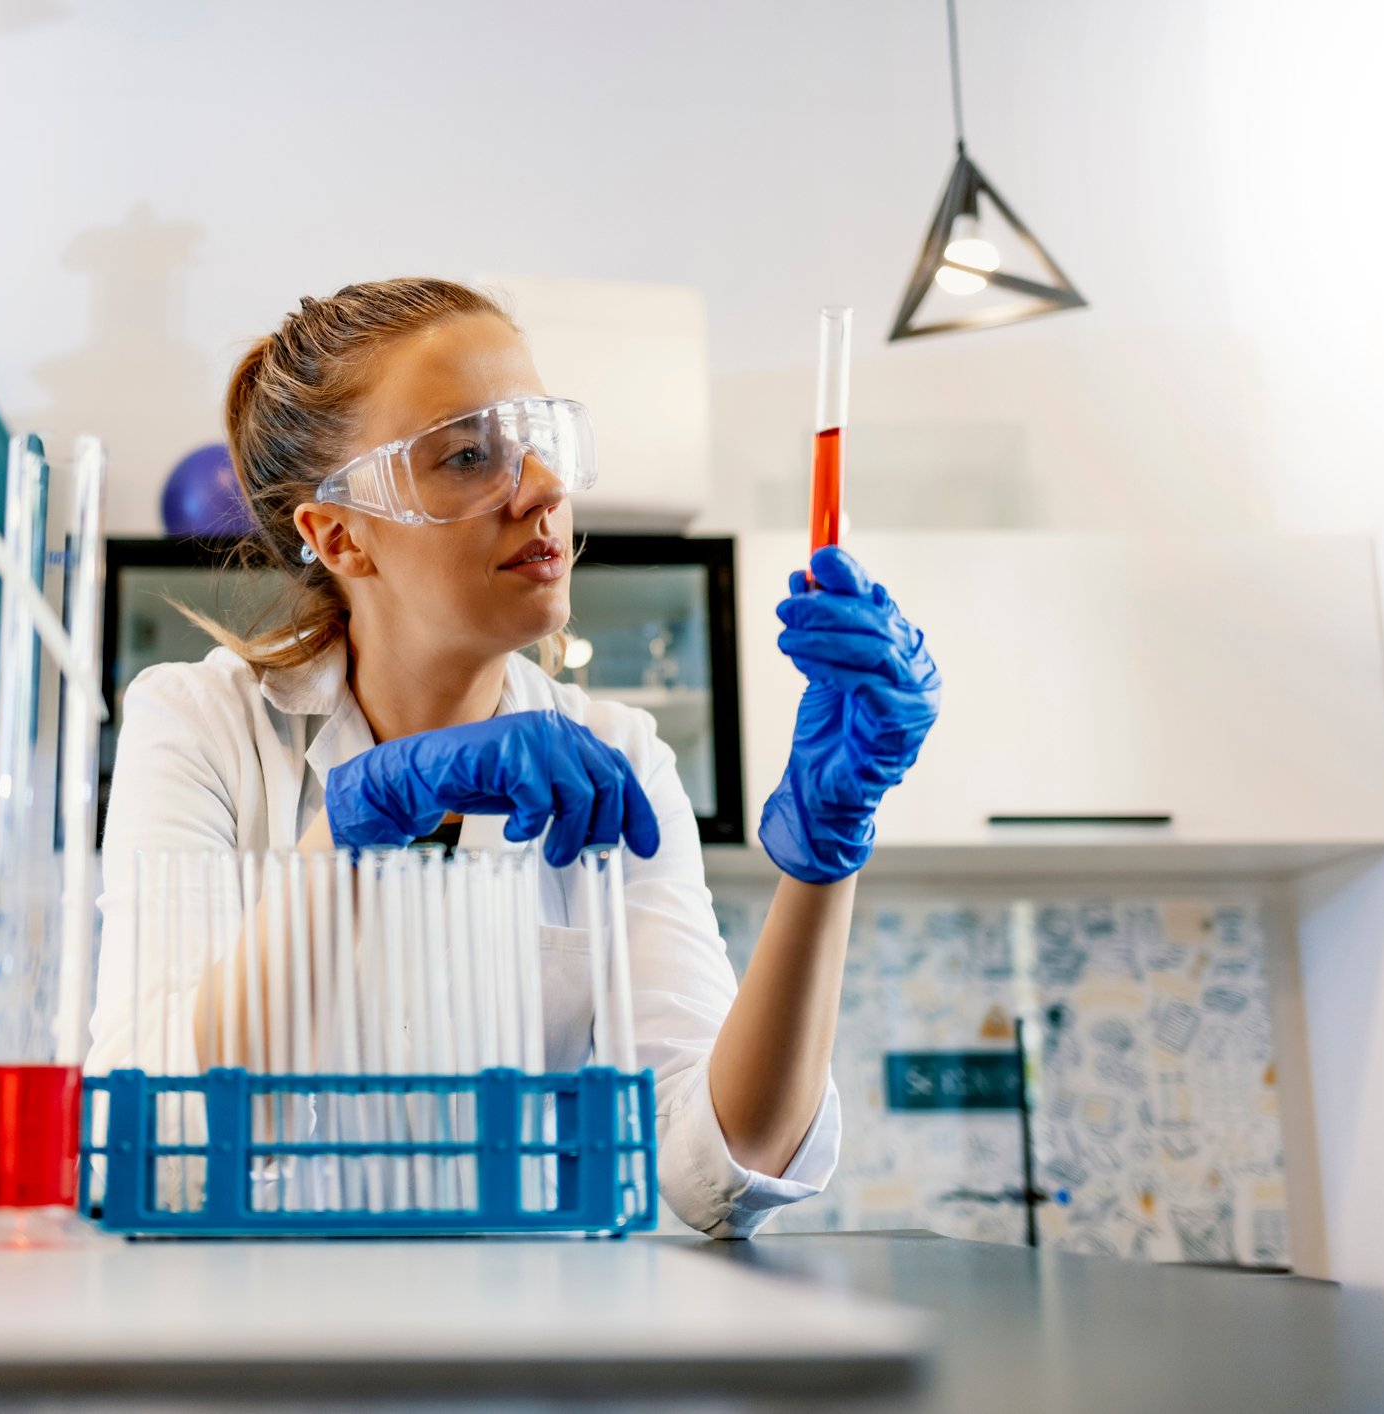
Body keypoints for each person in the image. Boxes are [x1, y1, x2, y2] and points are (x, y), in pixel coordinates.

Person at [87, 277, 939, 1237]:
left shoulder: (616, 758)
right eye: (464, 456)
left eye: (542, 442)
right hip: (262, 1352)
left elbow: (713, 1170)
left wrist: (825, 862)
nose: (541, 488)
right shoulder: (201, 728)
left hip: (528, 1353)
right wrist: (348, 837)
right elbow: (163, 1142)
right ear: (336, 534)